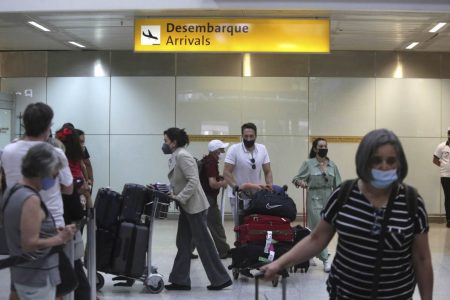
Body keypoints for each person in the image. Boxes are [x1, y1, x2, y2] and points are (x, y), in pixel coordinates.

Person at [261, 128, 433, 300]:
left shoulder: (412, 202)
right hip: (345, 293)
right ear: (364, 161)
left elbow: (422, 258)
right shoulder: (344, 195)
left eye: (391, 160)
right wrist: (280, 263)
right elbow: (316, 239)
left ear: (400, 164)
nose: (384, 166)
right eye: (377, 160)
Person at [1, 102, 74, 300]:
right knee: (54, 284)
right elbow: (69, 188)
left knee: (19, 278)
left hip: (15, 223)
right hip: (50, 224)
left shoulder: (8, 151)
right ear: (48, 126)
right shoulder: (54, 154)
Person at [161, 127, 232, 291]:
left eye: (166, 140)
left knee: (204, 244)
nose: (164, 144)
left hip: (195, 207)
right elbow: (181, 181)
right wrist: (173, 191)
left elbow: (193, 181)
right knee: (183, 243)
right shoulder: (176, 156)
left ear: (174, 142)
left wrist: (180, 197)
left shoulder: (183, 156)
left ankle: (220, 279)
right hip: (187, 206)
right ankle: (180, 280)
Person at [292, 137, 341, 272]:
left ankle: (309, 254)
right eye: (321, 146)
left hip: (329, 199)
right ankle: (326, 259)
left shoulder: (332, 165)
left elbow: (339, 185)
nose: (323, 148)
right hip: (314, 198)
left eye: (325, 146)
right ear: (315, 149)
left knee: (319, 229)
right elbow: (296, 179)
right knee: (320, 229)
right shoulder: (308, 164)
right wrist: (300, 182)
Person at [223, 122, 273, 221]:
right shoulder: (234, 149)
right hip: (238, 196)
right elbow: (226, 173)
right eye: (246, 136)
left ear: (256, 136)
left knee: (255, 226)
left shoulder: (262, 149)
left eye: (251, 136)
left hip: (256, 194)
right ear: (242, 136)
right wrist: (236, 188)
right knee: (240, 226)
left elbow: (268, 171)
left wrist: (270, 187)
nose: (248, 139)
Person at [199, 139, 231, 259]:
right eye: (221, 150)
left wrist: (219, 178)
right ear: (216, 151)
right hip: (208, 199)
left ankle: (188, 249)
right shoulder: (211, 162)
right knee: (216, 225)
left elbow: (210, 178)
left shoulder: (206, 160)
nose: (223, 152)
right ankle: (224, 251)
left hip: (202, 198)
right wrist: (223, 183)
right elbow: (212, 183)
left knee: (198, 224)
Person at [433, 126, 450, 228]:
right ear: (448, 134)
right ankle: (449, 219)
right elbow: (435, 160)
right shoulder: (441, 146)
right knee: (448, 197)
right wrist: (444, 166)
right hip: (446, 176)